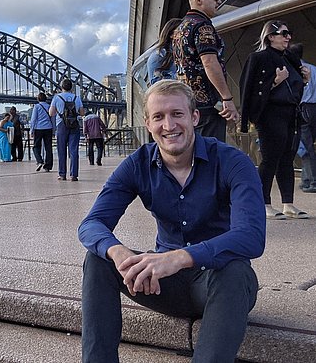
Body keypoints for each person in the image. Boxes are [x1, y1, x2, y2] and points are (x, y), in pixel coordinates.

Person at [80, 80, 265, 362]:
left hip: (218, 284)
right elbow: (91, 224)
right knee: (98, 259)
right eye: (159, 117)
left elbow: (251, 236)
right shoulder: (137, 164)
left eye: (177, 114)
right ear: (148, 123)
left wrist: (179, 257)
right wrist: (119, 253)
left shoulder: (232, 162)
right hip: (164, 285)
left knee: (236, 270)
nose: (169, 125)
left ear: (194, 117)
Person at [240, 21, 311, 219]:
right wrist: (275, 82)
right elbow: (248, 90)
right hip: (270, 114)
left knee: (287, 158)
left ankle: (288, 203)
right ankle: (264, 203)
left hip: (290, 113)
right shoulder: (258, 58)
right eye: (283, 33)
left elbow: (293, 91)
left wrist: (304, 81)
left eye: (289, 33)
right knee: (270, 158)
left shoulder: (290, 58)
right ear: (270, 36)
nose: (288, 37)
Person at [172, 0, 239, 142]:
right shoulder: (203, 26)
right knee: (210, 151)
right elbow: (209, 62)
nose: (219, 2)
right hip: (208, 104)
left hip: (188, 102)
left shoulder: (180, 28)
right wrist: (226, 98)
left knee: (194, 151)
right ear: (198, 0)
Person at [290, 43, 316, 193]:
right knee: (309, 144)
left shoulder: (295, 70)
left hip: (303, 108)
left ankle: (312, 181)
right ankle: (306, 179)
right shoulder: (313, 68)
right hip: (314, 108)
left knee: (305, 147)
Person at [49, 78, 84, 181]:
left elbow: (51, 113)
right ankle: (74, 175)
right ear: (71, 87)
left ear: (61, 87)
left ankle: (62, 174)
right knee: (74, 151)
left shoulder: (57, 97)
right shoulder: (77, 98)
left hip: (61, 125)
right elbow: (82, 113)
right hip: (74, 125)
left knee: (61, 151)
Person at [147, 18, 182, 85]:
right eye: (181, 31)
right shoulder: (158, 55)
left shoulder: (183, 52)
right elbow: (156, 84)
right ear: (171, 34)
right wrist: (180, 77)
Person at [30, 92, 54, 172]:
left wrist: (31, 130)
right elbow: (53, 118)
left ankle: (39, 161)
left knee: (36, 146)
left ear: (38, 99)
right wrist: (54, 128)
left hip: (39, 128)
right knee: (48, 147)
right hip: (48, 128)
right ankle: (48, 166)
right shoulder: (49, 106)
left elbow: (33, 119)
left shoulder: (36, 106)